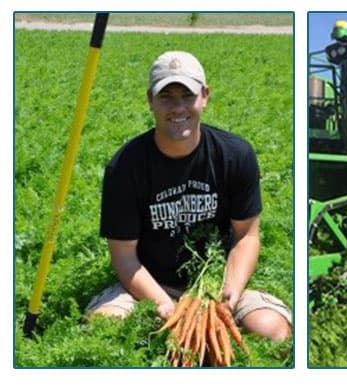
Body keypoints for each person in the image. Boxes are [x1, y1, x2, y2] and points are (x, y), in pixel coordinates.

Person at [86, 51, 291, 341]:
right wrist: (164, 306)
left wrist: (228, 296)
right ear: (150, 100)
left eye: (187, 94)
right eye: (166, 96)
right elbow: (124, 257)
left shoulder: (235, 155)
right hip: (148, 284)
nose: (178, 106)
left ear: (204, 96)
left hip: (216, 284)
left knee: (273, 331)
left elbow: (247, 236)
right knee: (103, 328)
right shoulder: (126, 166)